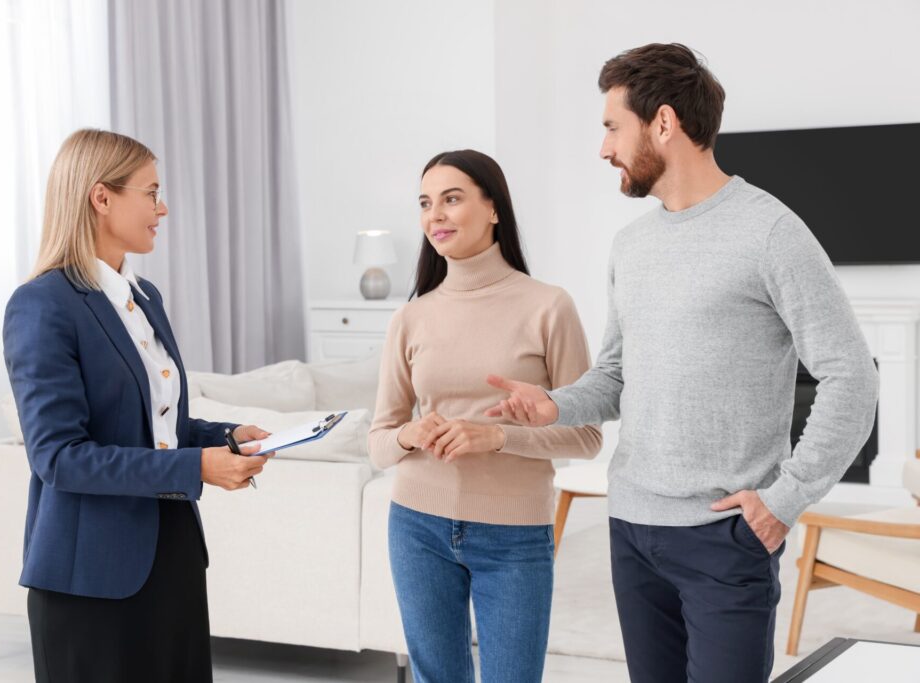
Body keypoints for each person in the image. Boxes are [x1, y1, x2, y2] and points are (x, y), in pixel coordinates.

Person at [486, 43, 879, 683]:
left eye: (613, 127)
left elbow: (852, 376)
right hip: (631, 526)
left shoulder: (770, 232)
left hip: (724, 537)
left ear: (662, 123)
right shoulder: (632, 245)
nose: (604, 148)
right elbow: (616, 375)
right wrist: (554, 404)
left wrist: (786, 498)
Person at [3, 129, 272, 683]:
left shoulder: (144, 298)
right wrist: (197, 468)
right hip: (90, 579)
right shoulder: (42, 305)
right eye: (151, 193)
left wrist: (225, 437)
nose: (163, 207)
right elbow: (59, 457)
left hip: (171, 555)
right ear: (102, 198)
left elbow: (156, 425)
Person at [368, 149, 602, 683]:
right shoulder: (411, 316)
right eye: (426, 203)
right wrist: (411, 433)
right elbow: (380, 440)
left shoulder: (549, 306)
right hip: (416, 526)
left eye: (452, 199)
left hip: (515, 532)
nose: (436, 216)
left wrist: (497, 436)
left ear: (493, 208)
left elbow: (587, 435)